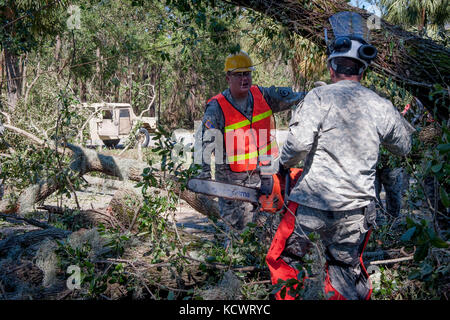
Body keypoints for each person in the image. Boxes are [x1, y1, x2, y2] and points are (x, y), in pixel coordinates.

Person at [274, 12, 415, 300]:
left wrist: (281, 164)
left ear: (331, 68)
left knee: (285, 260)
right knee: (345, 270)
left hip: (311, 207)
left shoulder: (320, 97)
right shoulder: (379, 105)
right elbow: (404, 146)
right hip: (356, 211)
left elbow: (297, 144)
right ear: (363, 71)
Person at [196, 50, 306, 233]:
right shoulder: (217, 107)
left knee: (270, 229)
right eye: (238, 75)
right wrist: (204, 176)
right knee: (239, 233)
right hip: (234, 185)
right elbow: (204, 143)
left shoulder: (264, 95)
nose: (244, 79)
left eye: (247, 74)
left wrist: (317, 95)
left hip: (267, 177)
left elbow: (295, 97)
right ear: (228, 77)